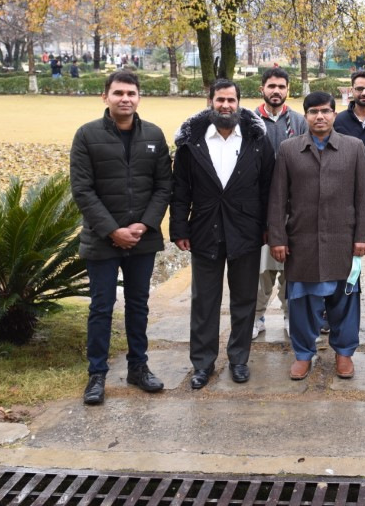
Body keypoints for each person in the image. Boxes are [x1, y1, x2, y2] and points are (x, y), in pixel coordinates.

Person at [69, 70, 172, 405]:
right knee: (101, 306)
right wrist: (113, 230)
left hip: (143, 238)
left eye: (131, 93)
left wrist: (144, 224)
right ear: (105, 97)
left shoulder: (153, 135)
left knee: (138, 305)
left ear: (139, 97)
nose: (125, 99)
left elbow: (163, 186)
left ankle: (138, 367)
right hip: (101, 239)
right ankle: (97, 374)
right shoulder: (87, 135)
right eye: (118, 93)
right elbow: (82, 190)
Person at [170, 79, 274, 389]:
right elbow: (180, 189)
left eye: (231, 100)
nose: (225, 105)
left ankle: (239, 359)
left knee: (244, 299)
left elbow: (268, 187)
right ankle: (203, 364)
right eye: (220, 100)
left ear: (239, 103)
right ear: (211, 102)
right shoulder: (192, 141)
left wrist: (267, 227)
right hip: (204, 229)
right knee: (204, 301)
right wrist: (179, 227)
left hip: (246, 231)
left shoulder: (257, 139)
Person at [268, 91, 365, 380]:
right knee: (302, 302)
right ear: (305, 116)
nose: (320, 117)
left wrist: (363, 235)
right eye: (313, 112)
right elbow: (277, 199)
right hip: (302, 240)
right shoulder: (289, 149)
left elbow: (364, 197)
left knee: (346, 300)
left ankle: (344, 353)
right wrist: (278, 238)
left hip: (343, 240)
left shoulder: (353, 148)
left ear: (335, 114)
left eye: (326, 111)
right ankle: (303, 354)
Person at [252, 67, 307, 340]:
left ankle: (290, 315)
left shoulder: (299, 122)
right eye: (271, 86)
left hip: (293, 206)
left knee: (291, 268)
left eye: (281, 86)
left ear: (288, 90)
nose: (276, 91)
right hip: (258, 207)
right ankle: (255, 317)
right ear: (262, 88)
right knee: (260, 269)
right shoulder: (249, 121)